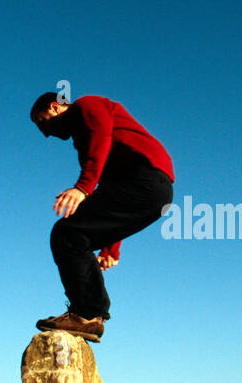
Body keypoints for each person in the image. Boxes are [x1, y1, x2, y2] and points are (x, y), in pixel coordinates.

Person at [30, 92, 174, 342]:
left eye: (42, 122)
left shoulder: (87, 105)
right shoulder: (82, 140)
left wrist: (83, 187)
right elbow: (109, 191)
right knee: (75, 235)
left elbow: (101, 136)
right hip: (154, 191)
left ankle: (85, 313)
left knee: (67, 233)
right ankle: (90, 317)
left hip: (146, 178)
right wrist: (111, 247)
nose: (45, 133)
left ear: (56, 107)